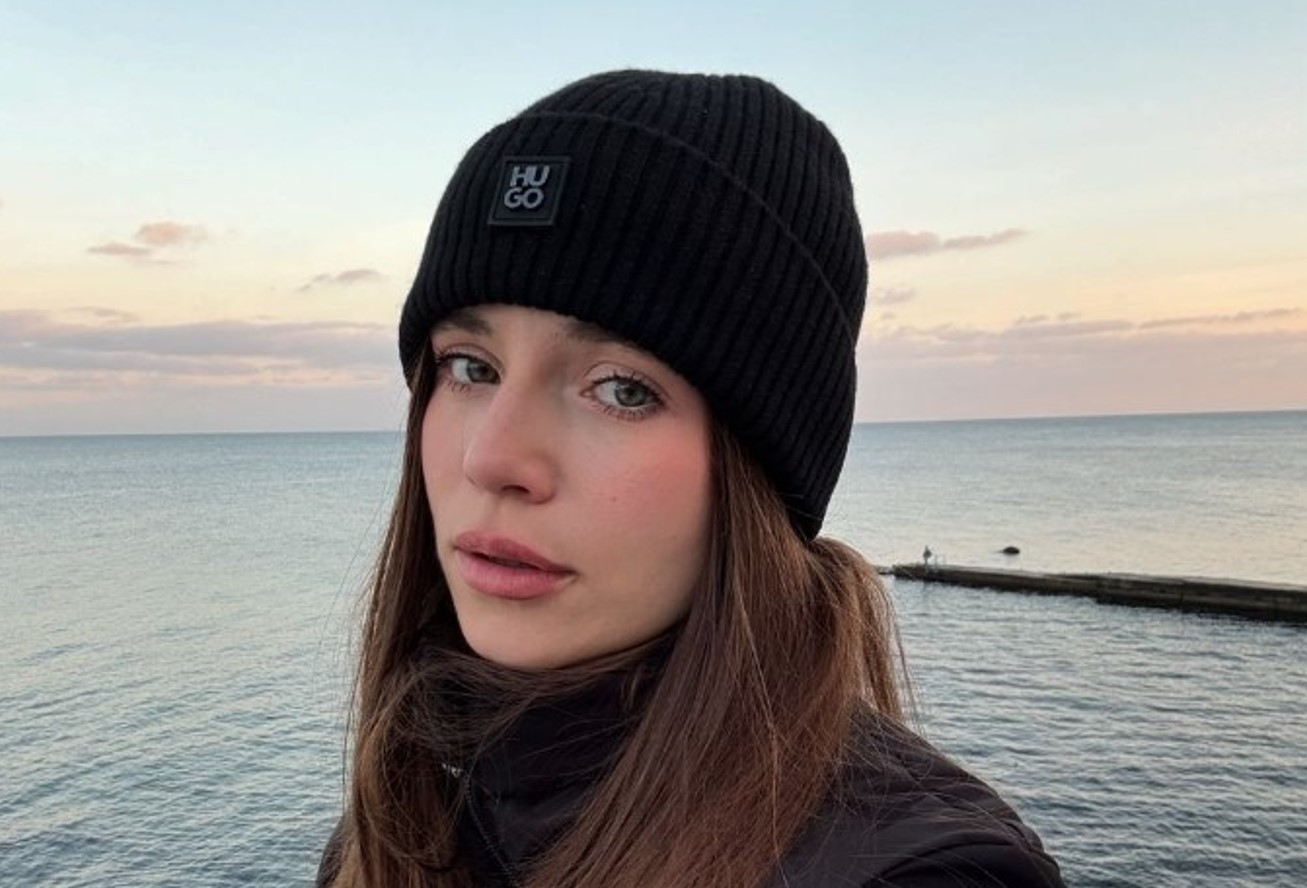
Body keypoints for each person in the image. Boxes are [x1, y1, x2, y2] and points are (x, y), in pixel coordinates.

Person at [317, 70, 1064, 888]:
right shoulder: (401, 827)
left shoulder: (922, 874)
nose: (490, 459)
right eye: (469, 367)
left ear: (758, 470)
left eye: (621, 389)